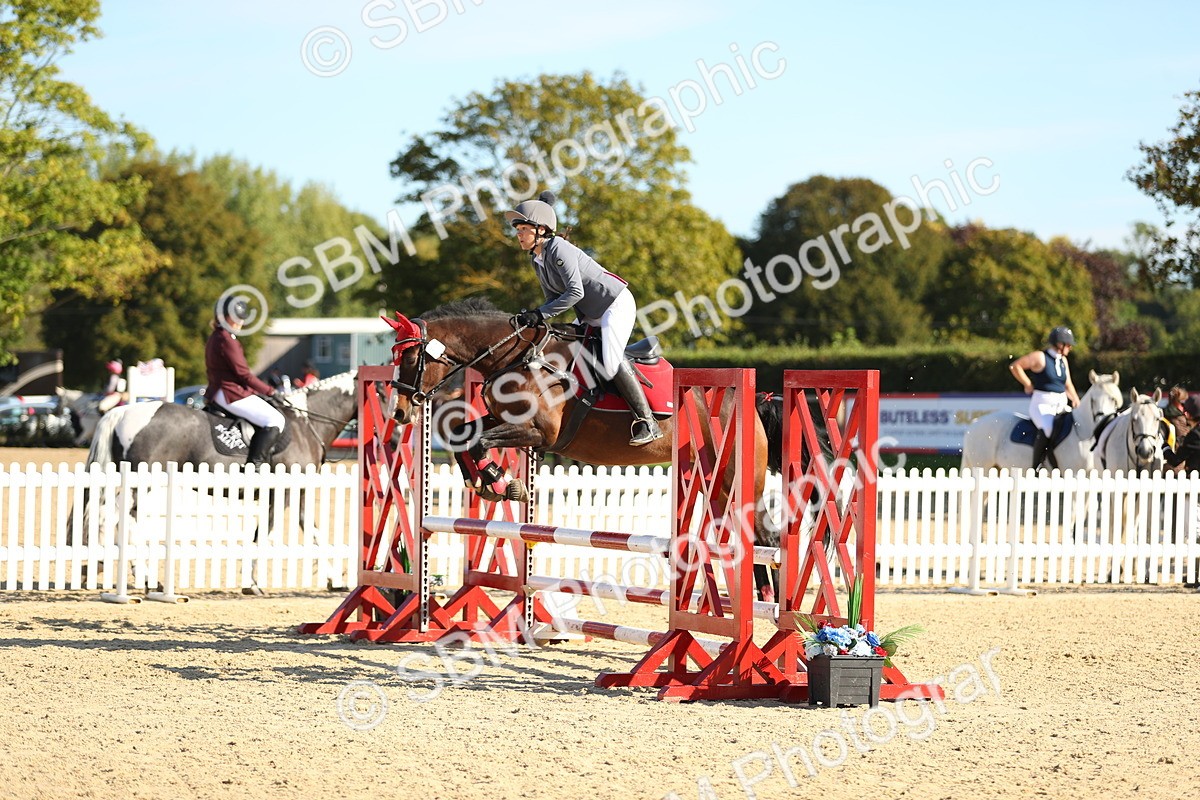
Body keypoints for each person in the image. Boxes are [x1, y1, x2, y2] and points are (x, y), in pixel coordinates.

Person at [504, 190, 662, 446]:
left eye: (523, 228)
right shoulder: (537, 259)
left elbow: (575, 292)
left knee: (610, 363)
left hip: (614, 304)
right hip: (590, 313)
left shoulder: (559, 249)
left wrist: (541, 313)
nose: (518, 234)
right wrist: (535, 318)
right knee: (566, 352)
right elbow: (552, 299)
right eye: (518, 229)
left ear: (541, 230)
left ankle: (647, 421)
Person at [205, 297, 286, 465]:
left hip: (217, 391)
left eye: (241, 317)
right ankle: (254, 465)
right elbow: (244, 375)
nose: (240, 321)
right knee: (276, 420)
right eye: (236, 318)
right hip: (230, 393)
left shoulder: (215, 336)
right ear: (224, 317)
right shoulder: (227, 340)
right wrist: (270, 391)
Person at [1009, 326, 1080, 469]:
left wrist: (1077, 400)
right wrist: (1027, 383)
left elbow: (1068, 384)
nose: (1070, 348)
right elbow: (1015, 366)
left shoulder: (1063, 361)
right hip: (1042, 404)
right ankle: (1037, 465)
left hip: (1061, 403)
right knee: (1048, 428)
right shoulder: (1040, 357)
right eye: (1068, 345)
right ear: (1059, 344)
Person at [1163, 396, 1200, 473]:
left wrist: (1165, 447)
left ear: (1189, 414)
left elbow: (1175, 461)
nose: (1184, 413)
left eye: (1185, 410)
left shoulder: (1194, 435)